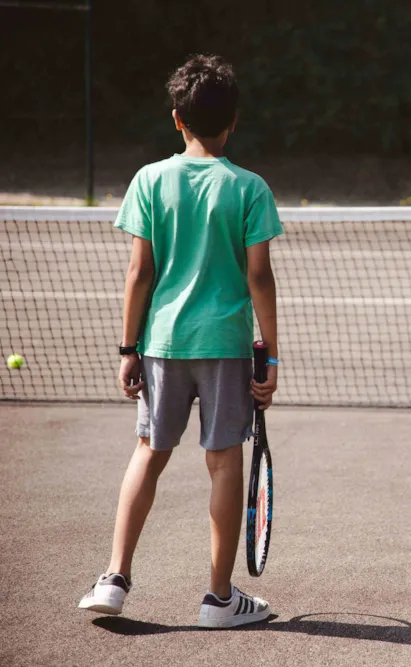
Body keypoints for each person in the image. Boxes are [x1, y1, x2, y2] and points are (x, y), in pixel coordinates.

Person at [77, 54, 282, 629]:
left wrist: (127, 348)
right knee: (223, 464)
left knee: (149, 451)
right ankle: (219, 599)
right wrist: (269, 352)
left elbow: (139, 271)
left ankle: (114, 579)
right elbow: (259, 275)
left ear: (176, 119)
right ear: (233, 121)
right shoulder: (250, 188)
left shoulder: (149, 179)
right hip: (225, 344)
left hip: (162, 342)